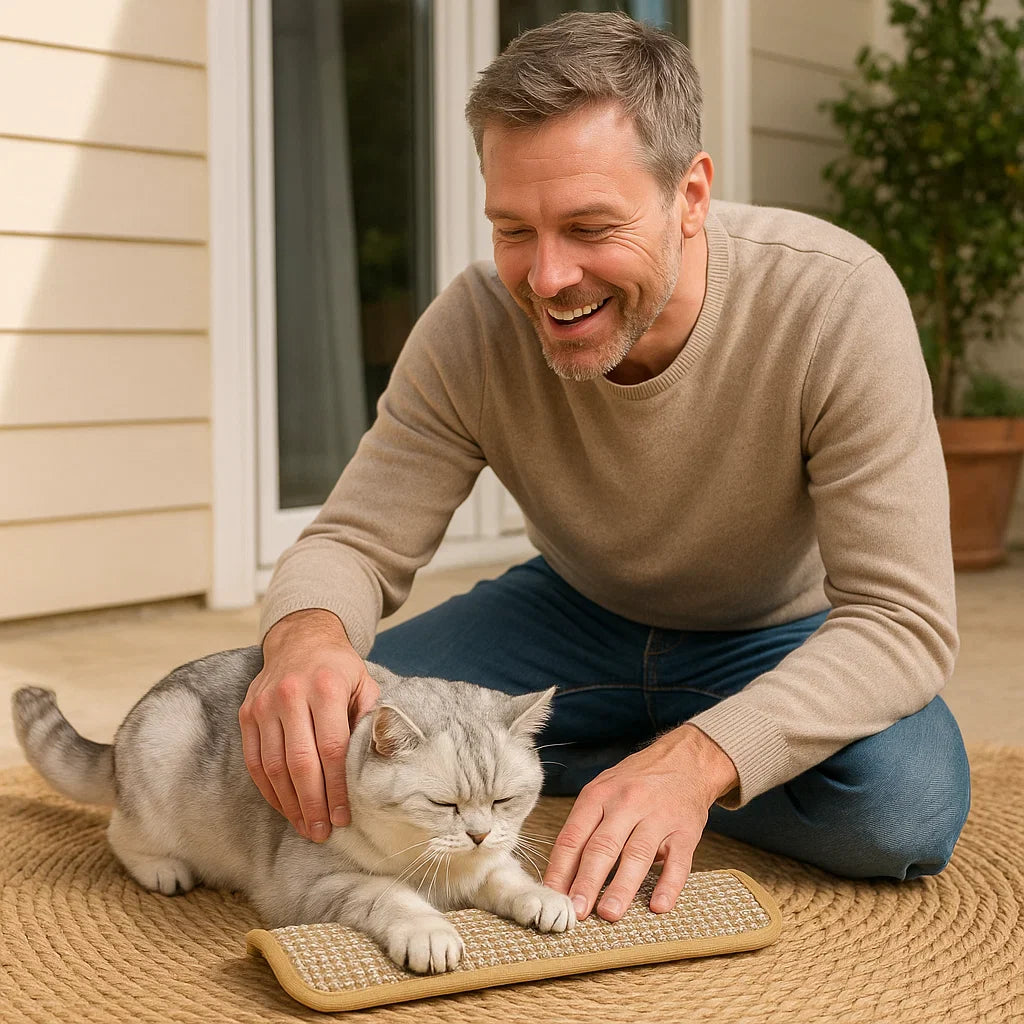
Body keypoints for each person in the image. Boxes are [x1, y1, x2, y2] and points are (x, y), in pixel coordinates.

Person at [240, 12, 970, 924]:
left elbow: (901, 621)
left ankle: (641, 764)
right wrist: (304, 638)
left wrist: (701, 760)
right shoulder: (470, 325)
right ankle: (586, 763)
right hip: (570, 617)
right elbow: (353, 538)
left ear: (690, 196)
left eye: (589, 226)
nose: (546, 277)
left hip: (775, 631)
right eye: (514, 229)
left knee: (902, 812)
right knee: (303, 733)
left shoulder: (836, 300)